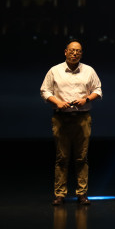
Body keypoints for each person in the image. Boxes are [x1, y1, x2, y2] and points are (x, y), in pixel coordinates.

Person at [40, 39, 102, 206]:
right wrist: (57, 102)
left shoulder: (88, 70)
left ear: (81, 53)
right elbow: (45, 90)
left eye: (78, 51)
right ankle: (60, 194)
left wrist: (86, 99)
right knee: (62, 158)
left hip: (82, 118)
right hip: (61, 118)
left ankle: (82, 193)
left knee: (81, 157)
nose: (75, 53)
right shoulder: (55, 70)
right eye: (72, 50)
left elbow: (98, 90)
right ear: (66, 52)